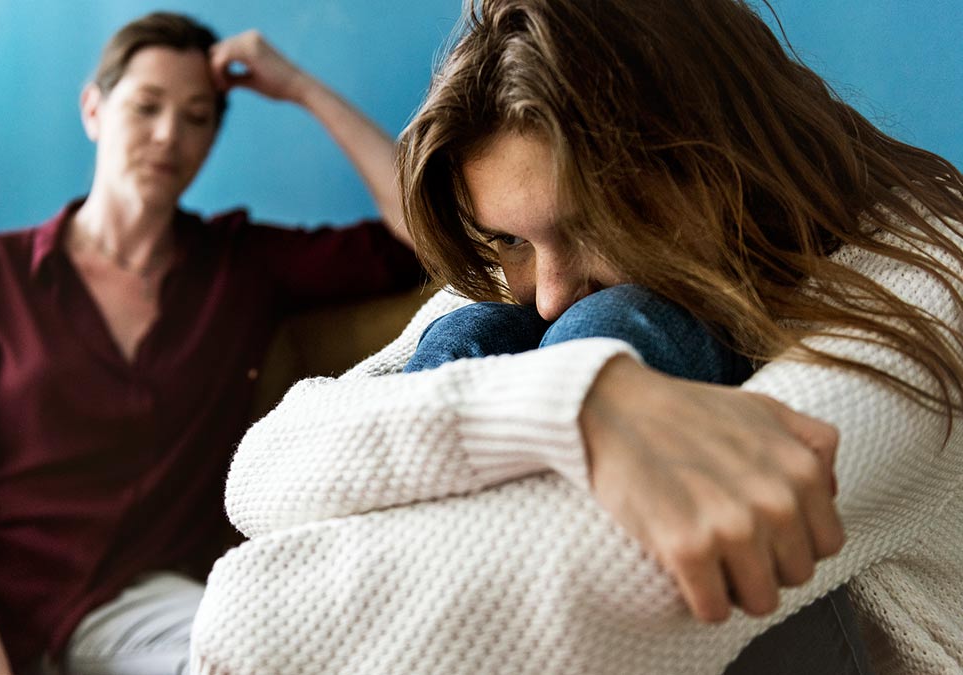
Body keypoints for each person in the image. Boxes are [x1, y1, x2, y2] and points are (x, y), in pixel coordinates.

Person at [190, 0, 963, 673]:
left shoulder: (926, 277)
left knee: (616, 331)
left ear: (721, 165)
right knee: (482, 327)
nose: (551, 292)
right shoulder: (520, 278)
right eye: (511, 241)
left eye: (595, 224)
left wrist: (239, 608)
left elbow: (578, 589)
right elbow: (264, 467)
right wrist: (574, 402)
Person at [0, 11, 420, 675]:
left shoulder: (240, 265)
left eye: (198, 117)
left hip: (130, 606)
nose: (170, 135)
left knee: (251, 653)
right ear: (93, 109)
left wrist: (300, 87)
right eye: (147, 106)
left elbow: (421, 234)